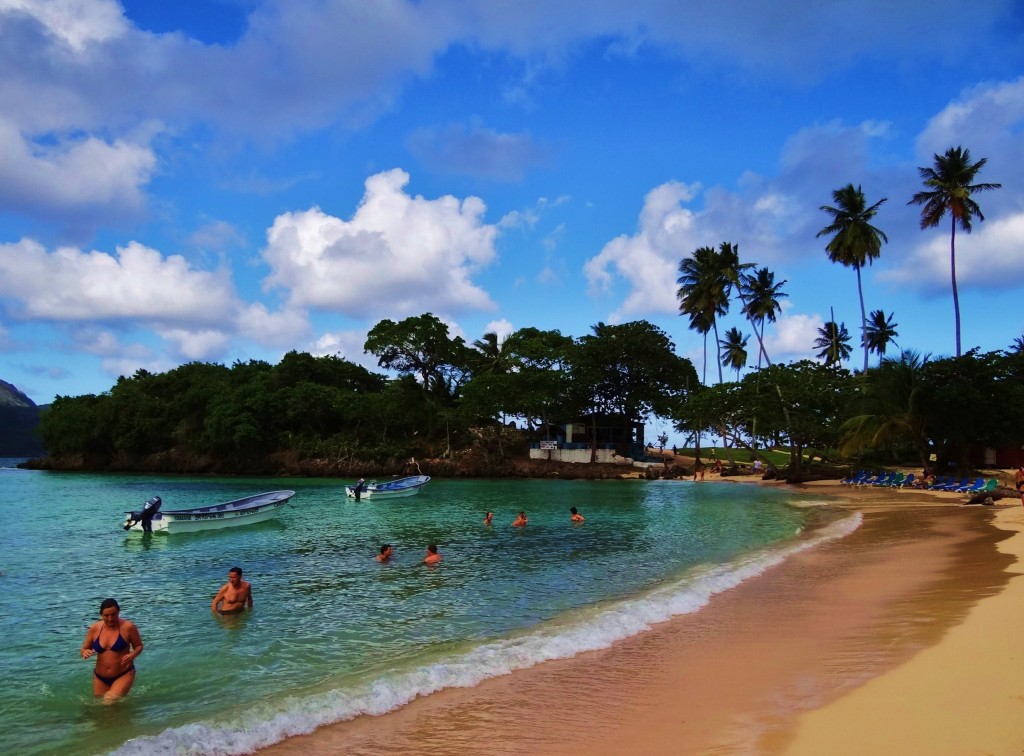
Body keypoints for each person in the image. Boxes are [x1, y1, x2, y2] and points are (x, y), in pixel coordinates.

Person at [81, 598, 143, 702]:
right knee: (98, 705)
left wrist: (133, 654)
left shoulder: (128, 627)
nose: (110, 618)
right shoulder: (94, 628)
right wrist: (84, 652)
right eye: (106, 615)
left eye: (113, 614)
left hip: (124, 674)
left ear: (118, 612)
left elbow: (139, 646)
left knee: (108, 701)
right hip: (100, 677)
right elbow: (84, 648)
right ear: (101, 615)